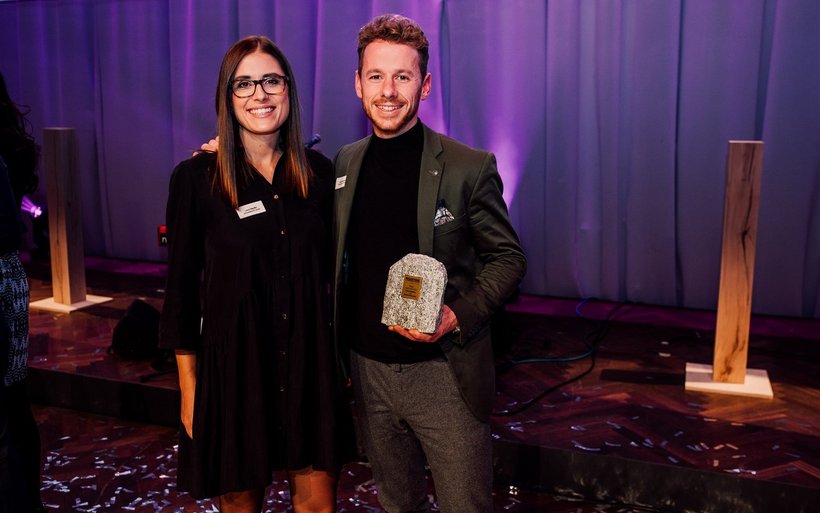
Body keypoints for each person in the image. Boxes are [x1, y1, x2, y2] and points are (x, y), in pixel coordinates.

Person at [333, 14, 526, 513]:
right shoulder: (344, 163)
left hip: (444, 372)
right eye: (376, 76)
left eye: (403, 76)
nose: (388, 91)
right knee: (399, 505)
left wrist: (456, 315)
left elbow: (508, 258)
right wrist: (229, 152)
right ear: (358, 84)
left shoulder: (468, 167)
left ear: (425, 85)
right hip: (369, 374)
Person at [159, 36, 352, 513]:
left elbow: (341, 274)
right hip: (236, 372)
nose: (259, 94)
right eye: (243, 84)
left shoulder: (320, 175)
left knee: (318, 506)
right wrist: (190, 389)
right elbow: (181, 292)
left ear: (288, 90)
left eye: (271, 81)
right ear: (227, 96)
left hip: (310, 366)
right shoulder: (196, 179)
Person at [0, 72, 45, 513]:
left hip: (2, 277)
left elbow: (8, 228)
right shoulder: (9, 142)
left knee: (10, 404)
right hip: (8, 275)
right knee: (13, 402)